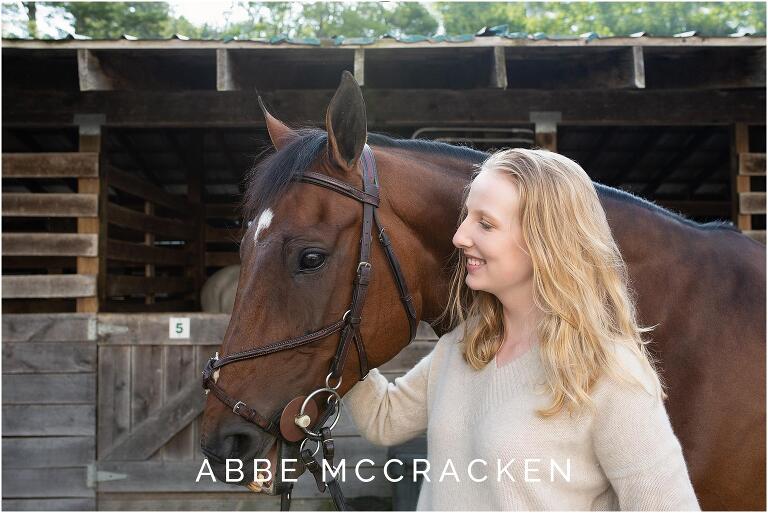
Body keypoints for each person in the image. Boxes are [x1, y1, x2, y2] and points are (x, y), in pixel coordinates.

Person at [342, 148, 700, 511]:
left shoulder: (609, 373)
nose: (460, 236)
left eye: (486, 223)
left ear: (544, 242)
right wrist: (338, 319)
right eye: (467, 217)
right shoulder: (465, 345)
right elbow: (383, 420)